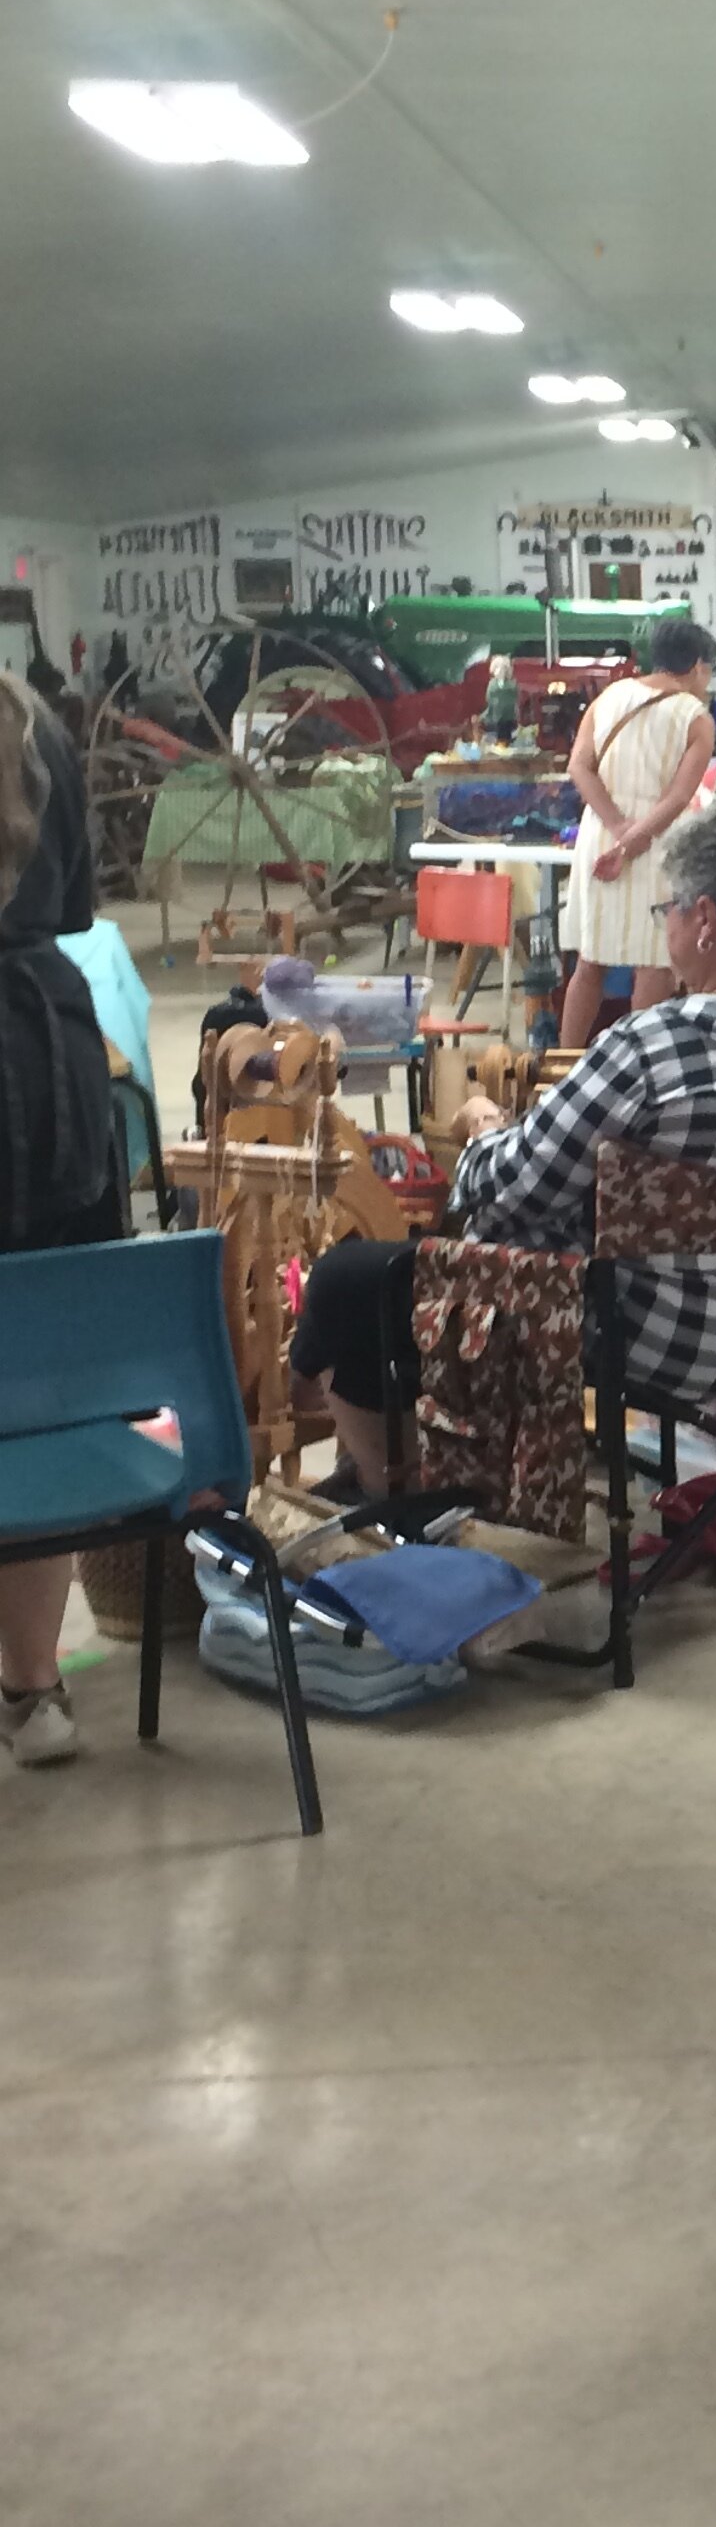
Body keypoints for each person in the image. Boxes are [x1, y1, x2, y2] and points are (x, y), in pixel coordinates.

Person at [294, 803, 716, 1490]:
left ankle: (387, 1491)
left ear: (705, 922)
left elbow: (504, 1201)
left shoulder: (652, 1049)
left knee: (351, 1280)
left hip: (663, 1342)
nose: (661, 924)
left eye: (665, 907)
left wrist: (483, 1128)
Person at [0, 672, 119, 1767]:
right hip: (45, 1056)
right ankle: (33, 1693)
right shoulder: (29, 721)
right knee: (41, 1385)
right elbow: (75, 904)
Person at [561, 616, 716, 1051]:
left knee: (589, 962)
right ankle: (637, 1068)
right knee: (655, 964)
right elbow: (678, 797)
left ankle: (561, 1064)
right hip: (659, 845)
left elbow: (578, 766)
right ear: (698, 666)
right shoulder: (696, 718)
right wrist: (635, 840)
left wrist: (615, 826)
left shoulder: (610, 697)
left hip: (600, 838)